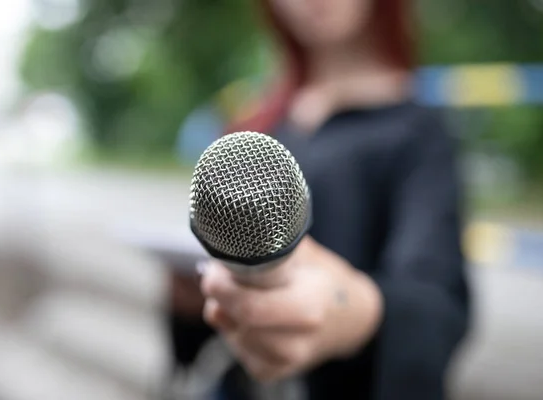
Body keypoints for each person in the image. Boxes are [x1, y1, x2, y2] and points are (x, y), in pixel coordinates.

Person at [194, 0, 472, 399]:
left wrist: (352, 309)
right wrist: (199, 296)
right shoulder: (263, 125)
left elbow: (435, 301)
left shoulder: (418, 132)